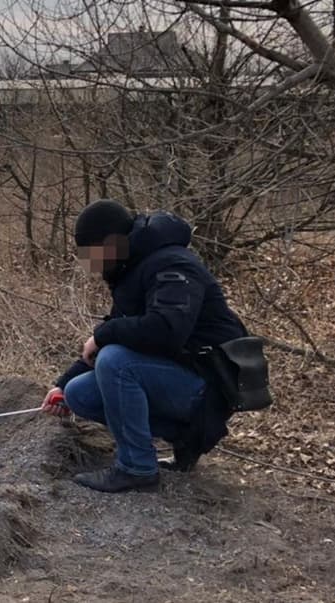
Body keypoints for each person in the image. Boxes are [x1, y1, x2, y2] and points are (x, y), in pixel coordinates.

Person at [41, 200, 247, 493]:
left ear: (112, 243)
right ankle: (185, 439)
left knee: (115, 361)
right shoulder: (132, 269)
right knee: (79, 393)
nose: (90, 263)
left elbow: (166, 330)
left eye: (92, 253)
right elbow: (119, 330)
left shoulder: (173, 264)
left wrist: (102, 334)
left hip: (210, 383)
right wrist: (62, 384)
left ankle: (136, 468)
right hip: (180, 373)